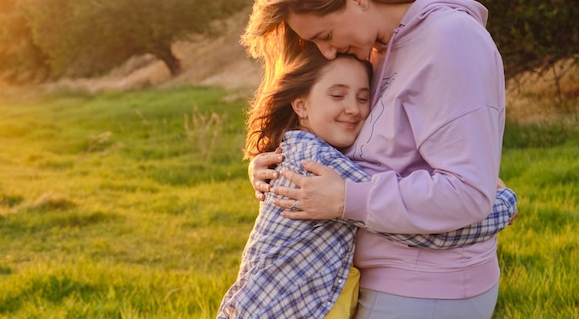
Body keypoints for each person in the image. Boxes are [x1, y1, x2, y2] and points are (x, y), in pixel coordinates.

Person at [244, 0, 514, 319]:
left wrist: (344, 200)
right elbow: (373, 151)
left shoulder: (449, 40)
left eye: (324, 34)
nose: (326, 51)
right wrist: (275, 165)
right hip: (381, 281)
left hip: (428, 291)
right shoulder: (376, 49)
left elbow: (467, 193)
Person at [219, 44, 517, 319]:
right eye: (337, 95)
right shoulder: (318, 161)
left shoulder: (296, 147)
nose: (354, 108)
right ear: (301, 105)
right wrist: (501, 204)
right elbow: (423, 231)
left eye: (363, 97)